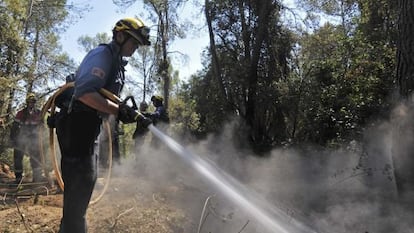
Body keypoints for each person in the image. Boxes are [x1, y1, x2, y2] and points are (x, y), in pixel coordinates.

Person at [53, 17, 152, 233]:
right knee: (79, 193)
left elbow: (108, 100)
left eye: (137, 44)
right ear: (120, 35)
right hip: (77, 128)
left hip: (88, 128)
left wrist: (131, 114)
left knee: (82, 192)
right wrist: (119, 110)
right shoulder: (102, 55)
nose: (135, 48)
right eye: (133, 42)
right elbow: (85, 93)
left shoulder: (116, 62)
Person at [9, 93, 45, 184]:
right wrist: (13, 138)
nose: (31, 104)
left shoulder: (39, 113)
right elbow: (15, 127)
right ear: (27, 103)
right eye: (30, 102)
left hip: (34, 138)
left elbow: (42, 127)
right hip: (22, 137)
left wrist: (42, 137)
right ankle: (18, 178)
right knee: (18, 156)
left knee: (36, 157)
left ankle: (37, 177)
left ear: (35, 103)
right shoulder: (21, 113)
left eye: (33, 102)